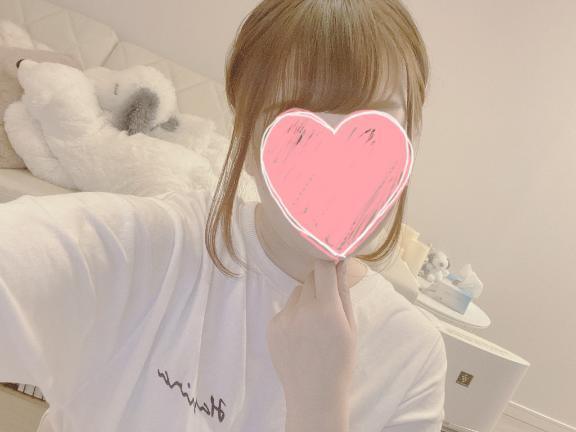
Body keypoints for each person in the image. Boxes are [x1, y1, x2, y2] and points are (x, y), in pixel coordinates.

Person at [0, 0, 447, 431]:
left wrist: (320, 408)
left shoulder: (412, 357)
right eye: (297, 130)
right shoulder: (147, 249)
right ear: (247, 142)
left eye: (372, 131)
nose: (335, 172)